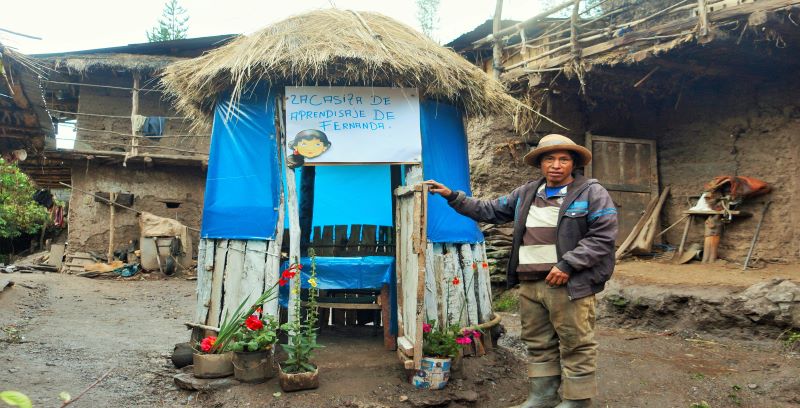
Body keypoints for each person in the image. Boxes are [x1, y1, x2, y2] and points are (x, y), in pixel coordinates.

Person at [425, 134, 617, 408]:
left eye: (564, 159)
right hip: (531, 283)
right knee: (538, 342)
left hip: (569, 283)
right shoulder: (527, 193)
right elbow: (490, 210)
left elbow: (604, 237)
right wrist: (453, 197)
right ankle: (543, 396)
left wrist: (568, 264)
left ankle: (577, 400)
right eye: (549, 158)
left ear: (573, 163)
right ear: (540, 163)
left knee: (576, 343)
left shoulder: (591, 192)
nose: (556, 165)